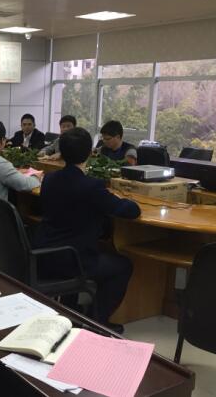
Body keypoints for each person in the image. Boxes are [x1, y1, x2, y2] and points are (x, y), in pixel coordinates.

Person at [33, 127, 140, 332]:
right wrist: (125, 199)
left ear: (62, 153)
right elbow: (129, 211)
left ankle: (73, 308)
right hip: (73, 260)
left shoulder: (49, 179)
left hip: (43, 253)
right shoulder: (91, 186)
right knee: (123, 265)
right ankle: (97, 321)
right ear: (89, 153)